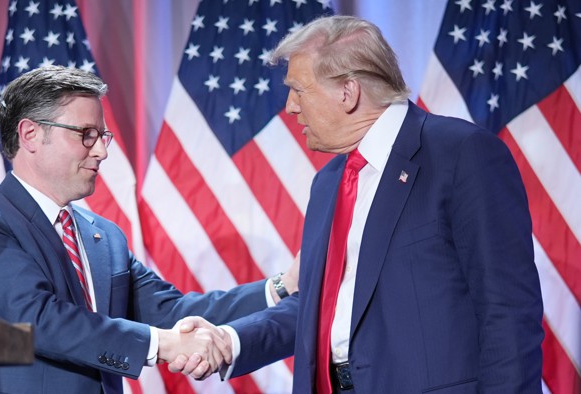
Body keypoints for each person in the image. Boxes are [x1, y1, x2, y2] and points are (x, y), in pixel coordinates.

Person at [174, 15, 543, 393]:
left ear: (348, 92)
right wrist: (229, 340)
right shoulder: (330, 181)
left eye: (299, 90)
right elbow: (321, 307)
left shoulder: (459, 154)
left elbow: (508, 311)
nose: (289, 107)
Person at [0, 65, 298, 393]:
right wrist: (164, 345)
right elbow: (38, 320)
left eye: (102, 136)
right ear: (30, 134)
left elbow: (172, 312)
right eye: (86, 134)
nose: (101, 152)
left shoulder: (103, 238)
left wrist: (280, 287)